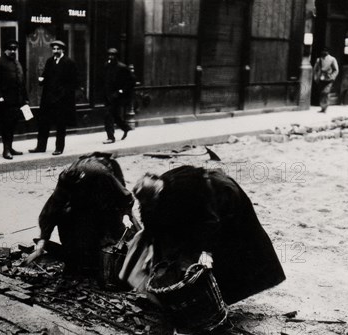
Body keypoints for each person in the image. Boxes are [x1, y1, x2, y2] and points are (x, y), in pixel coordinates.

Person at [120, 165, 286, 306]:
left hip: (223, 198)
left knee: (227, 251)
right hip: (202, 209)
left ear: (158, 190)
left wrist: (206, 251)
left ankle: (218, 299)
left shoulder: (185, 188)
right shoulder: (152, 198)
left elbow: (209, 220)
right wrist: (151, 252)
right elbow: (153, 225)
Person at [26, 152, 135, 279]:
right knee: (66, 216)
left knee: (107, 226)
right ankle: (77, 259)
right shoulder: (65, 180)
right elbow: (52, 209)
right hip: (87, 194)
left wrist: (126, 216)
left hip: (105, 184)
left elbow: (125, 197)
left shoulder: (101, 176)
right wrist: (42, 242)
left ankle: (110, 260)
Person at [30, 40, 78, 156]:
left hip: (62, 100)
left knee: (60, 124)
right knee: (43, 122)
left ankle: (59, 148)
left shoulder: (69, 63)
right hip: (48, 99)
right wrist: (41, 80)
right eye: (54, 49)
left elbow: (73, 83)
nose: (55, 51)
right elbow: (45, 75)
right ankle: (41, 146)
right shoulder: (50, 61)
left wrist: (62, 94)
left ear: (63, 50)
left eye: (58, 49)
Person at [0, 39, 28, 160]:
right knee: (5, 125)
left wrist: (25, 98)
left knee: (12, 124)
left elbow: (22, 82)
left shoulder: (17, 63)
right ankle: (6, 150)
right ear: (5, 50)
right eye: (10, 49)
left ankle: (10, 147)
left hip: (16, 101)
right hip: (4, 101)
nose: (12, 51)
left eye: (14, 49)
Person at [102, 48, 134, 144]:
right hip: (108, 95)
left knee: (108, 115)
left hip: (117, 96)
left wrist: (121, 91)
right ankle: (125, 127)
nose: (110, 57)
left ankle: (110, 137)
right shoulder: (106, 66)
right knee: (115, 115)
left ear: (116, 56)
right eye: (109, 55)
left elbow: (131, 81)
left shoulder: (122, 67)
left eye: (113, 55)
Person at [313, 48, 339, 113]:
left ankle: (325, 106)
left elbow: (336, 70)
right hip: (321, 78)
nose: (324, 52)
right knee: (321, 93)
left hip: (329, 79)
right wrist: (316, 77)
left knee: (325, 92)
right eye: (323, 51)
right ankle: (322, 108)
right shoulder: (319, 59)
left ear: (328, 52)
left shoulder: (332, 59)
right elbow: (315, 69)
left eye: (326, 51)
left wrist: (332, 77)